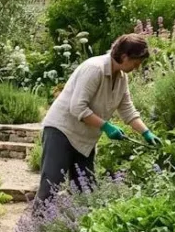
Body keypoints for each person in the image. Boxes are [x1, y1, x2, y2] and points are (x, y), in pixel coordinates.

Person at [36, 33, 159, 202]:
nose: (137, 67)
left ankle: (76, 227)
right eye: (136, 63)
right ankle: (37, 226)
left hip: (85, 139)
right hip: (62, 131)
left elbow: (128, 110)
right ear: (124, 56)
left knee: (86, 190)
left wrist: (146, 133)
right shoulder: (95, 69)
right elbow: (77, 106)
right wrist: (106, 126)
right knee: (50, 188)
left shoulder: (122, 78)